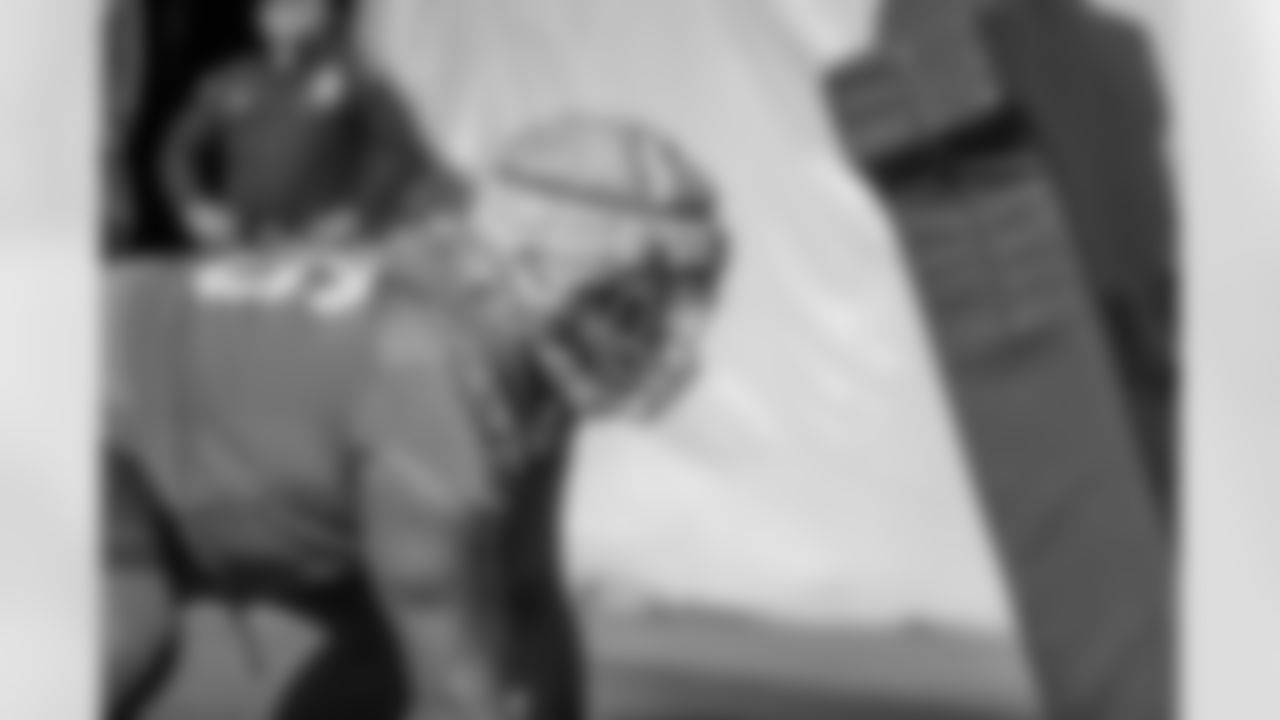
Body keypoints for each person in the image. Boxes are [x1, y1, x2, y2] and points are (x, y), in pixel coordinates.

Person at [162, 0, 460, 251]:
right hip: (244, 243)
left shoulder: (354, 75)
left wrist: (358, 211)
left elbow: (400, 150)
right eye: (278, 7)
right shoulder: (230, 79)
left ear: (322, 14)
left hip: (321, 244)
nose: (288, 16)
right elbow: (177, 148)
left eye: (302, 6)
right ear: (260, 16)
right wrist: (192, 204)